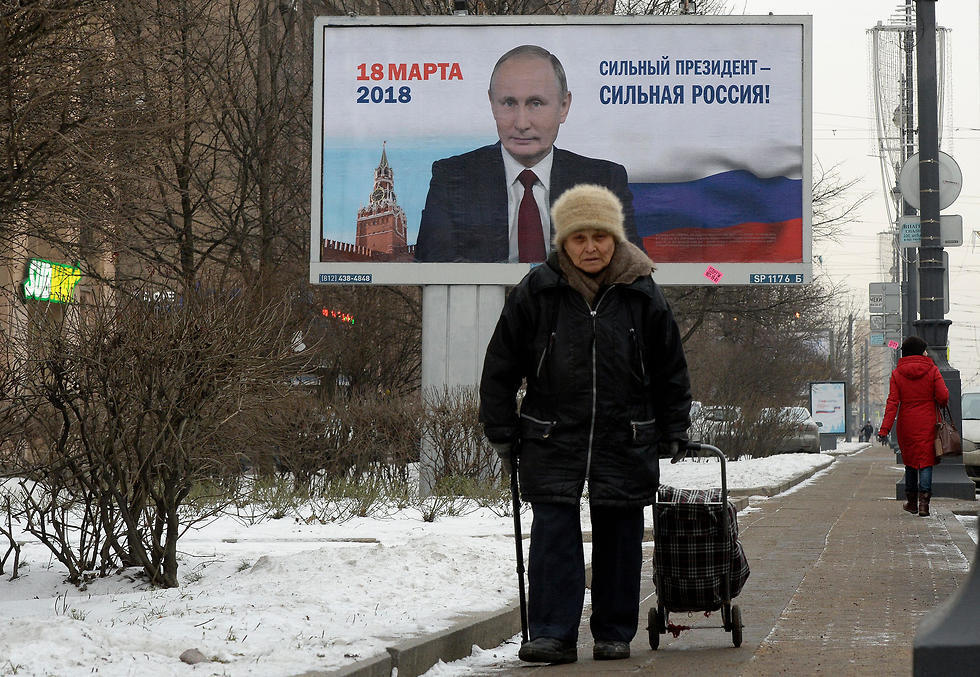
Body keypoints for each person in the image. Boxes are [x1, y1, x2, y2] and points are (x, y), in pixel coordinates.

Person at [479, 184, 691, 664]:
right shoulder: (538, 290)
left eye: (600, 236)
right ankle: (552, 634)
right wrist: (499, 425)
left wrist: (674, 425)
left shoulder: (642, 292)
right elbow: (501, 364)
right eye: (579, 238)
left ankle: (614, 630)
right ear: (563, 242)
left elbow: (670, 368)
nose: (590, 247)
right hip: (552, 432)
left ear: (615, 238)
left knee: (619, 533)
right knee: (554, 535)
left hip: (625, 433)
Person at [415, 45, 641, 263]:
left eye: (535, 103)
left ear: (563, 106)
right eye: (509, 103)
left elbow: (630, 268)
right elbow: (433, 266)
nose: (521, 123)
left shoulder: (603, 181)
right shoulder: (453, 179)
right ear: (492, 105)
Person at [877, 335, 949, 517]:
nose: (926, 352)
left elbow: (892, 402)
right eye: (924, 349)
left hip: (907, 423)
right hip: (928, 422)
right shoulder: (932, 370)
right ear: (919, 351)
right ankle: (924, 504)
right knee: (925, 462)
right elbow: (943, 396)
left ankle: (911, 502)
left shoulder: (897, 374)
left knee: (910, 462)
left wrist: (884, 429)